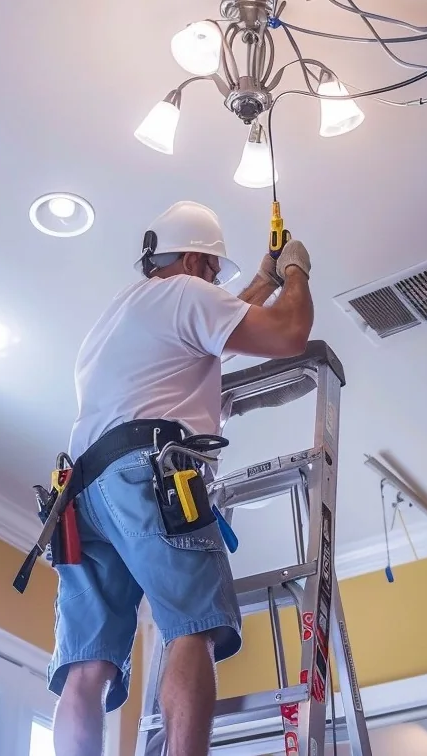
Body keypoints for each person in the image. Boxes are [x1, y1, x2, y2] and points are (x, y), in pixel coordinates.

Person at [47, 200, 314, 756]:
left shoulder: (117, 319)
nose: (217, 283)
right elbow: (288, 333)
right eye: (215, 270)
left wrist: (259, 282)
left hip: (82, 496)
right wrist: (294, 271)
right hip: (146, 476)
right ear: (193, 260)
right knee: (192, 627)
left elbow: (210, 329)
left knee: (86, 668)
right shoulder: (188, 295)